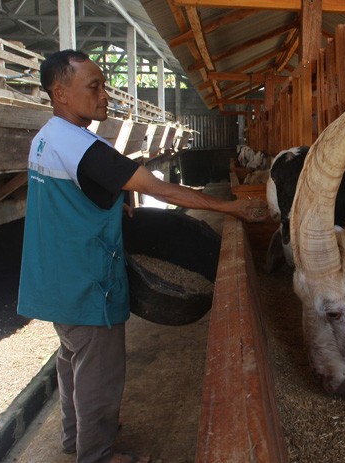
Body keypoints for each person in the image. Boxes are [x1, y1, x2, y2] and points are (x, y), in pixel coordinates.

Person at [16, 49, 267, 463]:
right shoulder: (83, 146)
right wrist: (230, 208)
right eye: (93, 87)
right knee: (99, 370)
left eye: (103, 86)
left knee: (71, 359)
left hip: (55, 277)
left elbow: (69, 195)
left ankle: (73, 436)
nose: (104, 96)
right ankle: (95, 454)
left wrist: (115, 206)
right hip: (86, 278)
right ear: (60, 93)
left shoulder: (46, 138)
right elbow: (162, 189)